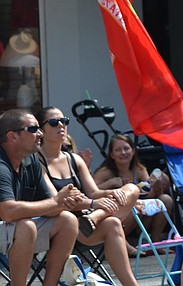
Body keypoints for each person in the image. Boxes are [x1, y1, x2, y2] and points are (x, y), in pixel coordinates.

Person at [35, 107, 140, 285]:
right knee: (104, 218)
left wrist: (109, 193)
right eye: (54, 122)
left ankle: (132, 284)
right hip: (59, 226)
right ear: (41, 130)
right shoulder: (37, 160)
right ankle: (94, 216)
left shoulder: (74, 159)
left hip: (87, 222)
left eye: (64, 121)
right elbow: (58, 202)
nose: (61, 125)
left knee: (131, 190)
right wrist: (94, 203)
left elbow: (94, 193)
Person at [0, 109, 78, 286]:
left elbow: (51, 205)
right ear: (12, 137)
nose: (40, 133)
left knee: (67, 220)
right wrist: (55, 202)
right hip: (9, 225)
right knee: (26, 225)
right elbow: (7, 211)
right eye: (34, 129)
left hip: (11, 229)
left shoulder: (31, 160)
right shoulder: (1, 164)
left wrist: (67, 200)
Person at [93, 134, 173, 244]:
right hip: (119, 216)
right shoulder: (105, 172)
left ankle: (155, 240)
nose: (123, 153)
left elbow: (149, 194)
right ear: (112, 155)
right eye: (118, 150)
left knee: (166, 199)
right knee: (132, 205)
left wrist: (157, 186)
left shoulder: (139, 170)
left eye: (126, 148)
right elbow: (91, 191)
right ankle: (121, 242)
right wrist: (110, 183)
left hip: (141, 216)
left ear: (133, 151)